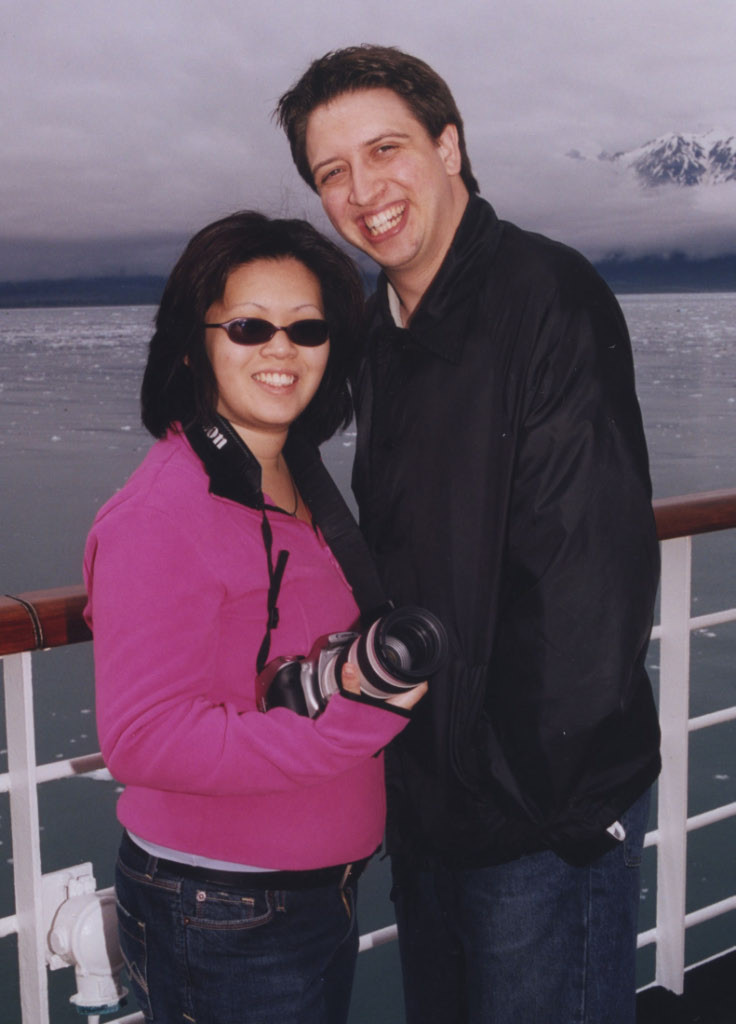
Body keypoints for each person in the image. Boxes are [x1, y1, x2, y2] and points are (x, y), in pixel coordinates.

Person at [276, 46, 662, 1024]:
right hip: (433, 801)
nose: (363, 192)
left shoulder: (546, 298)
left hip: (535, 819)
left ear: (449, 147)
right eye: (332, 171)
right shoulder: (381, 331)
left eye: (386, 150)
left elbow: (590, 592)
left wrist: (528, 803)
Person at [83, 210, 426, 1024]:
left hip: (301, 895)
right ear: (193, 344)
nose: (282, 349)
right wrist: (361, 719)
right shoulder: (162, 512)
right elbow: (144, 739)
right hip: (225, 910)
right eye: (249, 327)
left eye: (307, 328)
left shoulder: (290, 474)